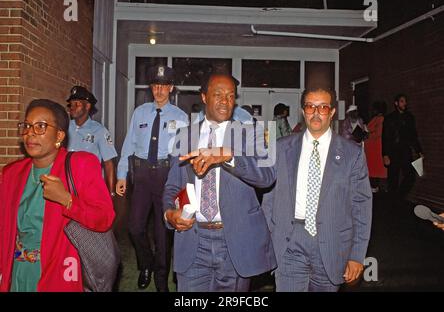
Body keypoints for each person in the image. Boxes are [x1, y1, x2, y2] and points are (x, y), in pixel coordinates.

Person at [162, 73, 276, 292]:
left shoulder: (250, 134)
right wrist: (169, 213)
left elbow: (267, 176)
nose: (226, 101)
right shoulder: (184, 136)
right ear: (204, 97)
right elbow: (172, 186)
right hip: (193, 238)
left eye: (231, 95)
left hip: (234, 241)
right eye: (218, 94)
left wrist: (230, 156)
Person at [262, 86, 372, 292]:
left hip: (333, 243)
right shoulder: (281, 148)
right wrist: (269, 241)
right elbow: (268, 199)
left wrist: (356, 255)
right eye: (310, 106)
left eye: (322, 107)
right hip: (290, 242)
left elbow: (361, 207)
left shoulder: (352, 154)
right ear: (303, 111)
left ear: (331, 112)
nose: (316, 112)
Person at [0, 99, 115, 292]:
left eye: (41, 126)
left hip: (60, 274)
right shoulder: (12, 173)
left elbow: (105, 218)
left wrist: (67, 200)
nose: (30, 133)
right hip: (18, 273)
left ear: (59, 135)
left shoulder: (81, 165)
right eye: (27, 126)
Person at [116, 65, 189, 291]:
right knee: (135, 227)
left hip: (167, 176)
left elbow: (183, 151)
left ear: (171, 88)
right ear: (151, 88)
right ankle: (145, 263)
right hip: (142, 174)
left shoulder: (180, 116)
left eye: (164, 85)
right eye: (155, 85)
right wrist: (122, 175)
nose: (159, 90)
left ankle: (160, 278)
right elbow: (129, 143)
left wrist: (183, 183)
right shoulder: (140, 112)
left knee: (163, 233)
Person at [66, 85, 118, 195]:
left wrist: (111, 194)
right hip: (66, 185)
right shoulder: (65, 127)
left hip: (89, 189)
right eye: (71, 103)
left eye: (78, 103)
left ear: (87, 106)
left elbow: (109, 164)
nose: (73, 107)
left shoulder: (99, 131)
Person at [382, 94, 423, 200]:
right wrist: (385, 154)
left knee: (410, 176)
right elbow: (385, 137)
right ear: (396, 103)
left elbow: (413, 135)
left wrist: (419, 150)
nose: (405, 103)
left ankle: (398, 196)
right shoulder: (389, 118)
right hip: (393, 152)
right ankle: (392, 202)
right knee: (393, 178)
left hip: (405, 151)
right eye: (402, 101)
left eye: (405, 101)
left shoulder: (409, 117)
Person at [365, 101, 387, 193]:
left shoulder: (381, 119)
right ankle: (374, 189)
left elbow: (378, 133)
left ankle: (377, 190)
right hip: (372, 149)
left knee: (376, 171)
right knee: (373, 171)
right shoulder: (376, 119)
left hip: (376, 149)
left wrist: (367, 134)